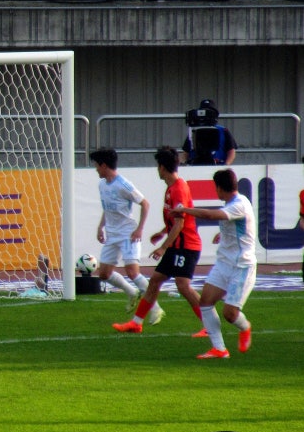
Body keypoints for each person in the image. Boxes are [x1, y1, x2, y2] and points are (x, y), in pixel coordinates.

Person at [114, 147, 203, 334]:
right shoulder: (173, 188)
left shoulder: (178, 189)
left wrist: (163, 247)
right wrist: (163, 232)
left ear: (162, 167)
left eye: (158, 166)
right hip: (176, 244)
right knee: (155, 281)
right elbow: (177, 222)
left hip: (185, 246)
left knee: (183, 286)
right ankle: (136, 323)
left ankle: (209, 325)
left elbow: (180, 224)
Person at [173, 169, 255, 359]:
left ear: (219, 187)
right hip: (224, 263)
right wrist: (224, 235)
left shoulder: (239, 204)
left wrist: (184, 209)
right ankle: (219, 349)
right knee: (206, 301)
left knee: (230, 313)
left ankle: (245, 327)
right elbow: (234, 225)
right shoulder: (232, 203)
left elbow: (210, 215)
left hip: (242, 266)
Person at [89, 149, 158, 316]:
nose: (96, 169)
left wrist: (139, 229)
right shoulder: (102, 185)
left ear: (104, 166)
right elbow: (108, 209)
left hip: (128, 233)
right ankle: (131, 292)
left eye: (97, 166)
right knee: (104, 274)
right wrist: (100, 226)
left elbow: (145, 204)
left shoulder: (124, 185)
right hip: (112, 235)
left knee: (132, 272)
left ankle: (155, 308)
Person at [182, 98, 237, 165]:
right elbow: (186, 151)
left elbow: (231, 150)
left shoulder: (223, 130)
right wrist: (185, 164)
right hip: (196, 166)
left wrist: (226, 165)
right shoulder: (194, 131)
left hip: (218, 165)